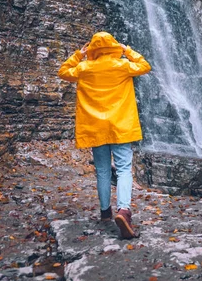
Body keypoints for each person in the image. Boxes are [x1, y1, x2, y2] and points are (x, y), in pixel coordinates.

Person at [57, 31, 151, 239]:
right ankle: (124, 210)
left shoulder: (84, 67)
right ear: (113, 47)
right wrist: (127, 50)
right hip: (120, 126)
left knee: (102, 171)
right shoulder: (123, 65)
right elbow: (145, 66)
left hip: (96, 127)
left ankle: (105, 211)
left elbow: (63, 71)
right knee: (124, 169)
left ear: (93, 49)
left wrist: (79, 54)